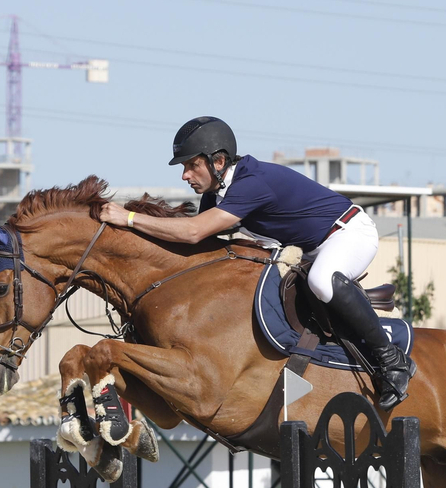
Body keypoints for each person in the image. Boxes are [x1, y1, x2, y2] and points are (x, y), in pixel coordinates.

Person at [97, 115, 415, 408]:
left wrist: (129, 218)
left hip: (348, 234)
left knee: (321, 279)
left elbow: (193, 232)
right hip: (310, 249)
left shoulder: (252, 182)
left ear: (218, 161)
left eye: (192, 166)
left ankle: (393, 363)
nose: (185, 175)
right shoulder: (217, 194)